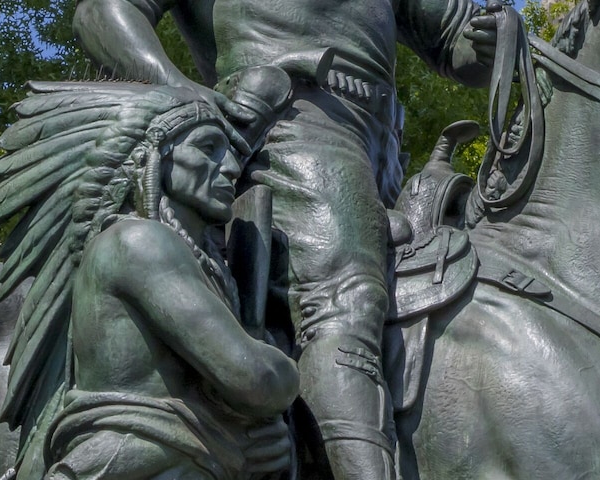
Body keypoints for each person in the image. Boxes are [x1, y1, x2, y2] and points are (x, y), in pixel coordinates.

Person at [71, 0, 499, 476]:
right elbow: (104, 11)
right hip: (289, 130)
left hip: (382, 150)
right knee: (344, 304)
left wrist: (488, 37)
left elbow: (457, 46)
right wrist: (191, 98)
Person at [0, 79, 299, 479]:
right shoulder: (139, 242)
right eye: (207, 149)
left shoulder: (200, 263)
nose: (232, 168)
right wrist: (282, 366)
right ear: (154, 157)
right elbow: (254, 378)